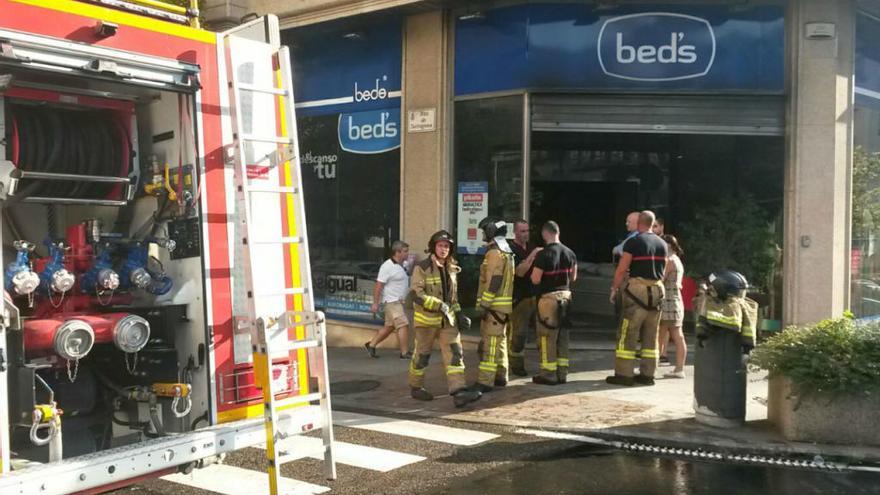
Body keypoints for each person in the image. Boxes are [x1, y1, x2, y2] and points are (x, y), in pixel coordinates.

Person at [408, 230, 481, 408]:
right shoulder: (421, 267)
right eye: (440, 245)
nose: (443, 249)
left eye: (447, 246)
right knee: (422, 357)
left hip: (447, 322)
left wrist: (460, 314)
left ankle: (459, 392)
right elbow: (416, 295)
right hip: (426, 322)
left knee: (455, 354)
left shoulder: (452, 269)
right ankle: (416, 387)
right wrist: (439, 305)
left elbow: (452, 299)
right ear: (433, 247)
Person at [607, 211, 667, 387]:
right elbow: (663, 271)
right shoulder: (662, 243)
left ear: (639, 222)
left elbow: (621, 268)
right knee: (651, 334)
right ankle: (648, 374)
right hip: (657, 291)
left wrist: (614, 288)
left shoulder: (634, 242)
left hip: (637, 291)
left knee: (628, 332)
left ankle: (624, 374)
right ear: (652, 223)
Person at [530, 221, 577, 385]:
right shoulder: (570, 253)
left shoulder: (544, 254)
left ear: (545, 234)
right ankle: (562, 373)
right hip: (566, 297)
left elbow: (535, 279)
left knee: (547, 337)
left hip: (548, 299)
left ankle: (548, 374)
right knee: (563, 337)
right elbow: (573, 278)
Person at [473, 218, 516, 392]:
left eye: (485, 230)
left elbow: (494, 280)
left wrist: (484, 304)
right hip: (503, 308)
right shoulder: (507, 250)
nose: (483, 234)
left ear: (491, 231)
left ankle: (485, 381)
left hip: (494, 308)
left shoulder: (494, 253)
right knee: (500, 342)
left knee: (490, 344)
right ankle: (501, 376)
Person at [365, 241, 413, 359]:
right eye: (405, 251)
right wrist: (375, 303)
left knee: (390, 327)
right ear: (397, 252)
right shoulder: (387, 266)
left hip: (400, 302)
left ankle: (371, 345)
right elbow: (378, 285)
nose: (407, 254)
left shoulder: (403, 265)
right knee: (403, 325)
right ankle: (404, 352)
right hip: (392, 302)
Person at [509, 219, 541, 377]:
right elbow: (519, 272)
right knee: (518, 333)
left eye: (527, 231)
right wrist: (533, 256)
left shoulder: (532, 246)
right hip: (519, 297)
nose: (526, 234)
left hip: (535, 295)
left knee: (540, 331)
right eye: (522, 231)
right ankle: (516, 364)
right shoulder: (510, 249)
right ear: (515, 232)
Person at [659, 235, 686, 378]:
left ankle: (649, 368)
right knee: (676, 335)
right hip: (675, 301)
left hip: (668, 303)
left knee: (662, 335)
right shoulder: (677, 260)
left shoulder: (669, 260)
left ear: (668, 245)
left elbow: (660, 278)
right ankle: (679, 369)